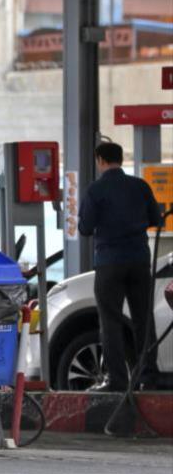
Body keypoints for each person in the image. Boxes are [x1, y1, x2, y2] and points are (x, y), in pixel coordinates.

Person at [78, 141, 161, 392]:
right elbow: (156, 219)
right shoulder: (140, 186)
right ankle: (148, 376)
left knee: (110, 321)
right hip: (139, 260)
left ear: (100, 160)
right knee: (143, 319)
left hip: (109, 263)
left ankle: (117, 380)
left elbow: (84, 228)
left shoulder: (96, 190)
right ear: (121, 159)